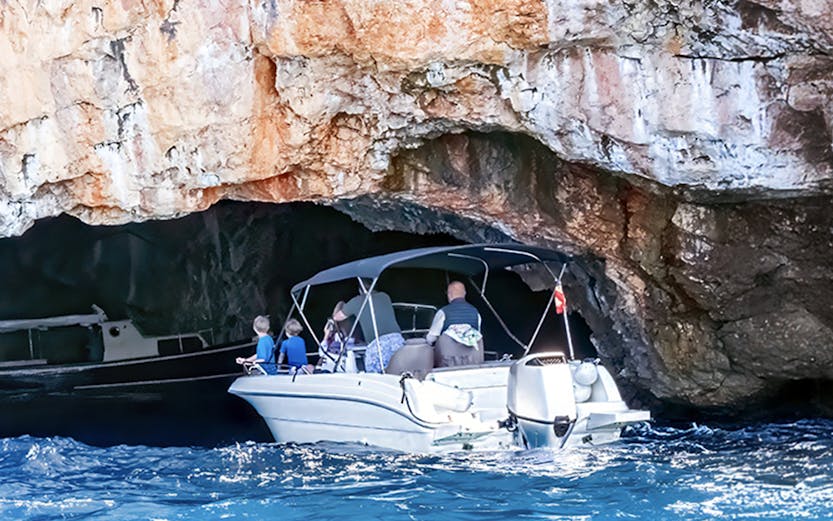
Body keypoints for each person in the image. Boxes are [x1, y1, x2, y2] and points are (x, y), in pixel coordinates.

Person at [333, 281, 404, 373]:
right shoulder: (385, 296)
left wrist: (340, 304)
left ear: (359, 289)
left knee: (376, 379)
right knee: (401, 374)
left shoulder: (356, 301)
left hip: (379, 346)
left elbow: (337, 317)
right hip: (398, 341)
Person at [426, 281, 484, 367]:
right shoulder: (475, 313)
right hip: (472, 364)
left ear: (449, 294)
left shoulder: (443, 312)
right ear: (464, 294)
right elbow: (477, 336)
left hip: (447, 364)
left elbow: (431, 338)